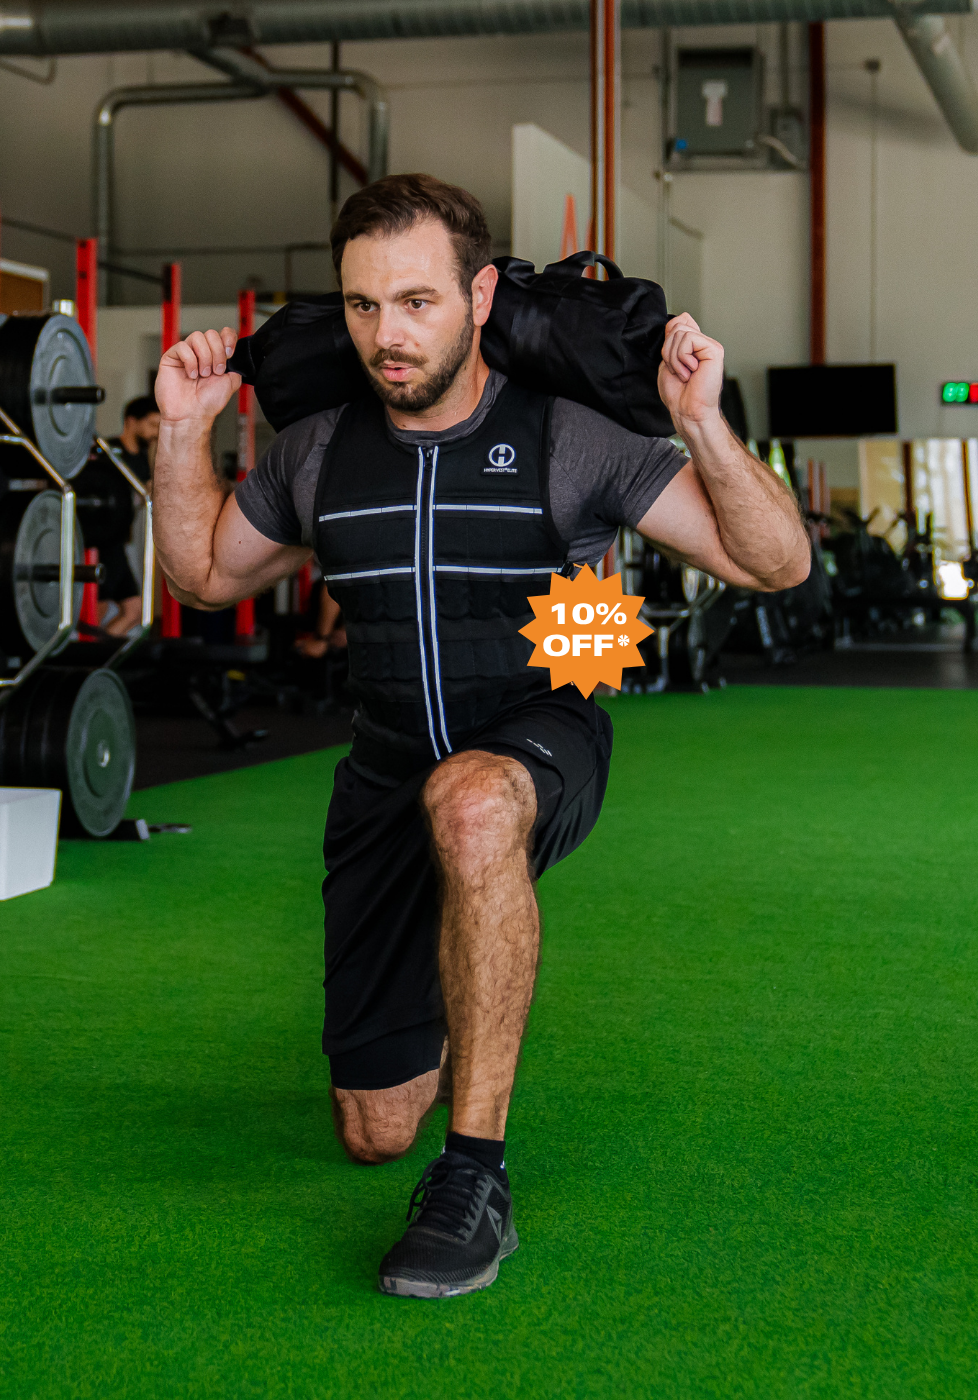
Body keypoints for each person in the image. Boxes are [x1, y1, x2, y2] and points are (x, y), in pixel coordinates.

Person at [151, 174, 809, 1299]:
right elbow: (204, 574)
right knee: (370, 1128)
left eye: (415, 303)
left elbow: (774, 560)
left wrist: (701, 421)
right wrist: (182, 431)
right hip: (382, 766)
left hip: (538, 730)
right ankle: (463, 997)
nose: (385, 336)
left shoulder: (569, 437)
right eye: (362, 306)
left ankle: (476, 1179)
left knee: (471, 803)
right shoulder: (315, 450)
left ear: (481, 295)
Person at [74, 394, 159, 636]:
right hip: (101, 544)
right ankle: (84, 660)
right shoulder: (106, 452)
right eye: (152, 425)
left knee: (134, 611)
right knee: (95, 611)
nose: (156, 434)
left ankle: (98, 659)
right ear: (132, 421)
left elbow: (135, 501)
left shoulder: (141, 460)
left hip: (121, 542)